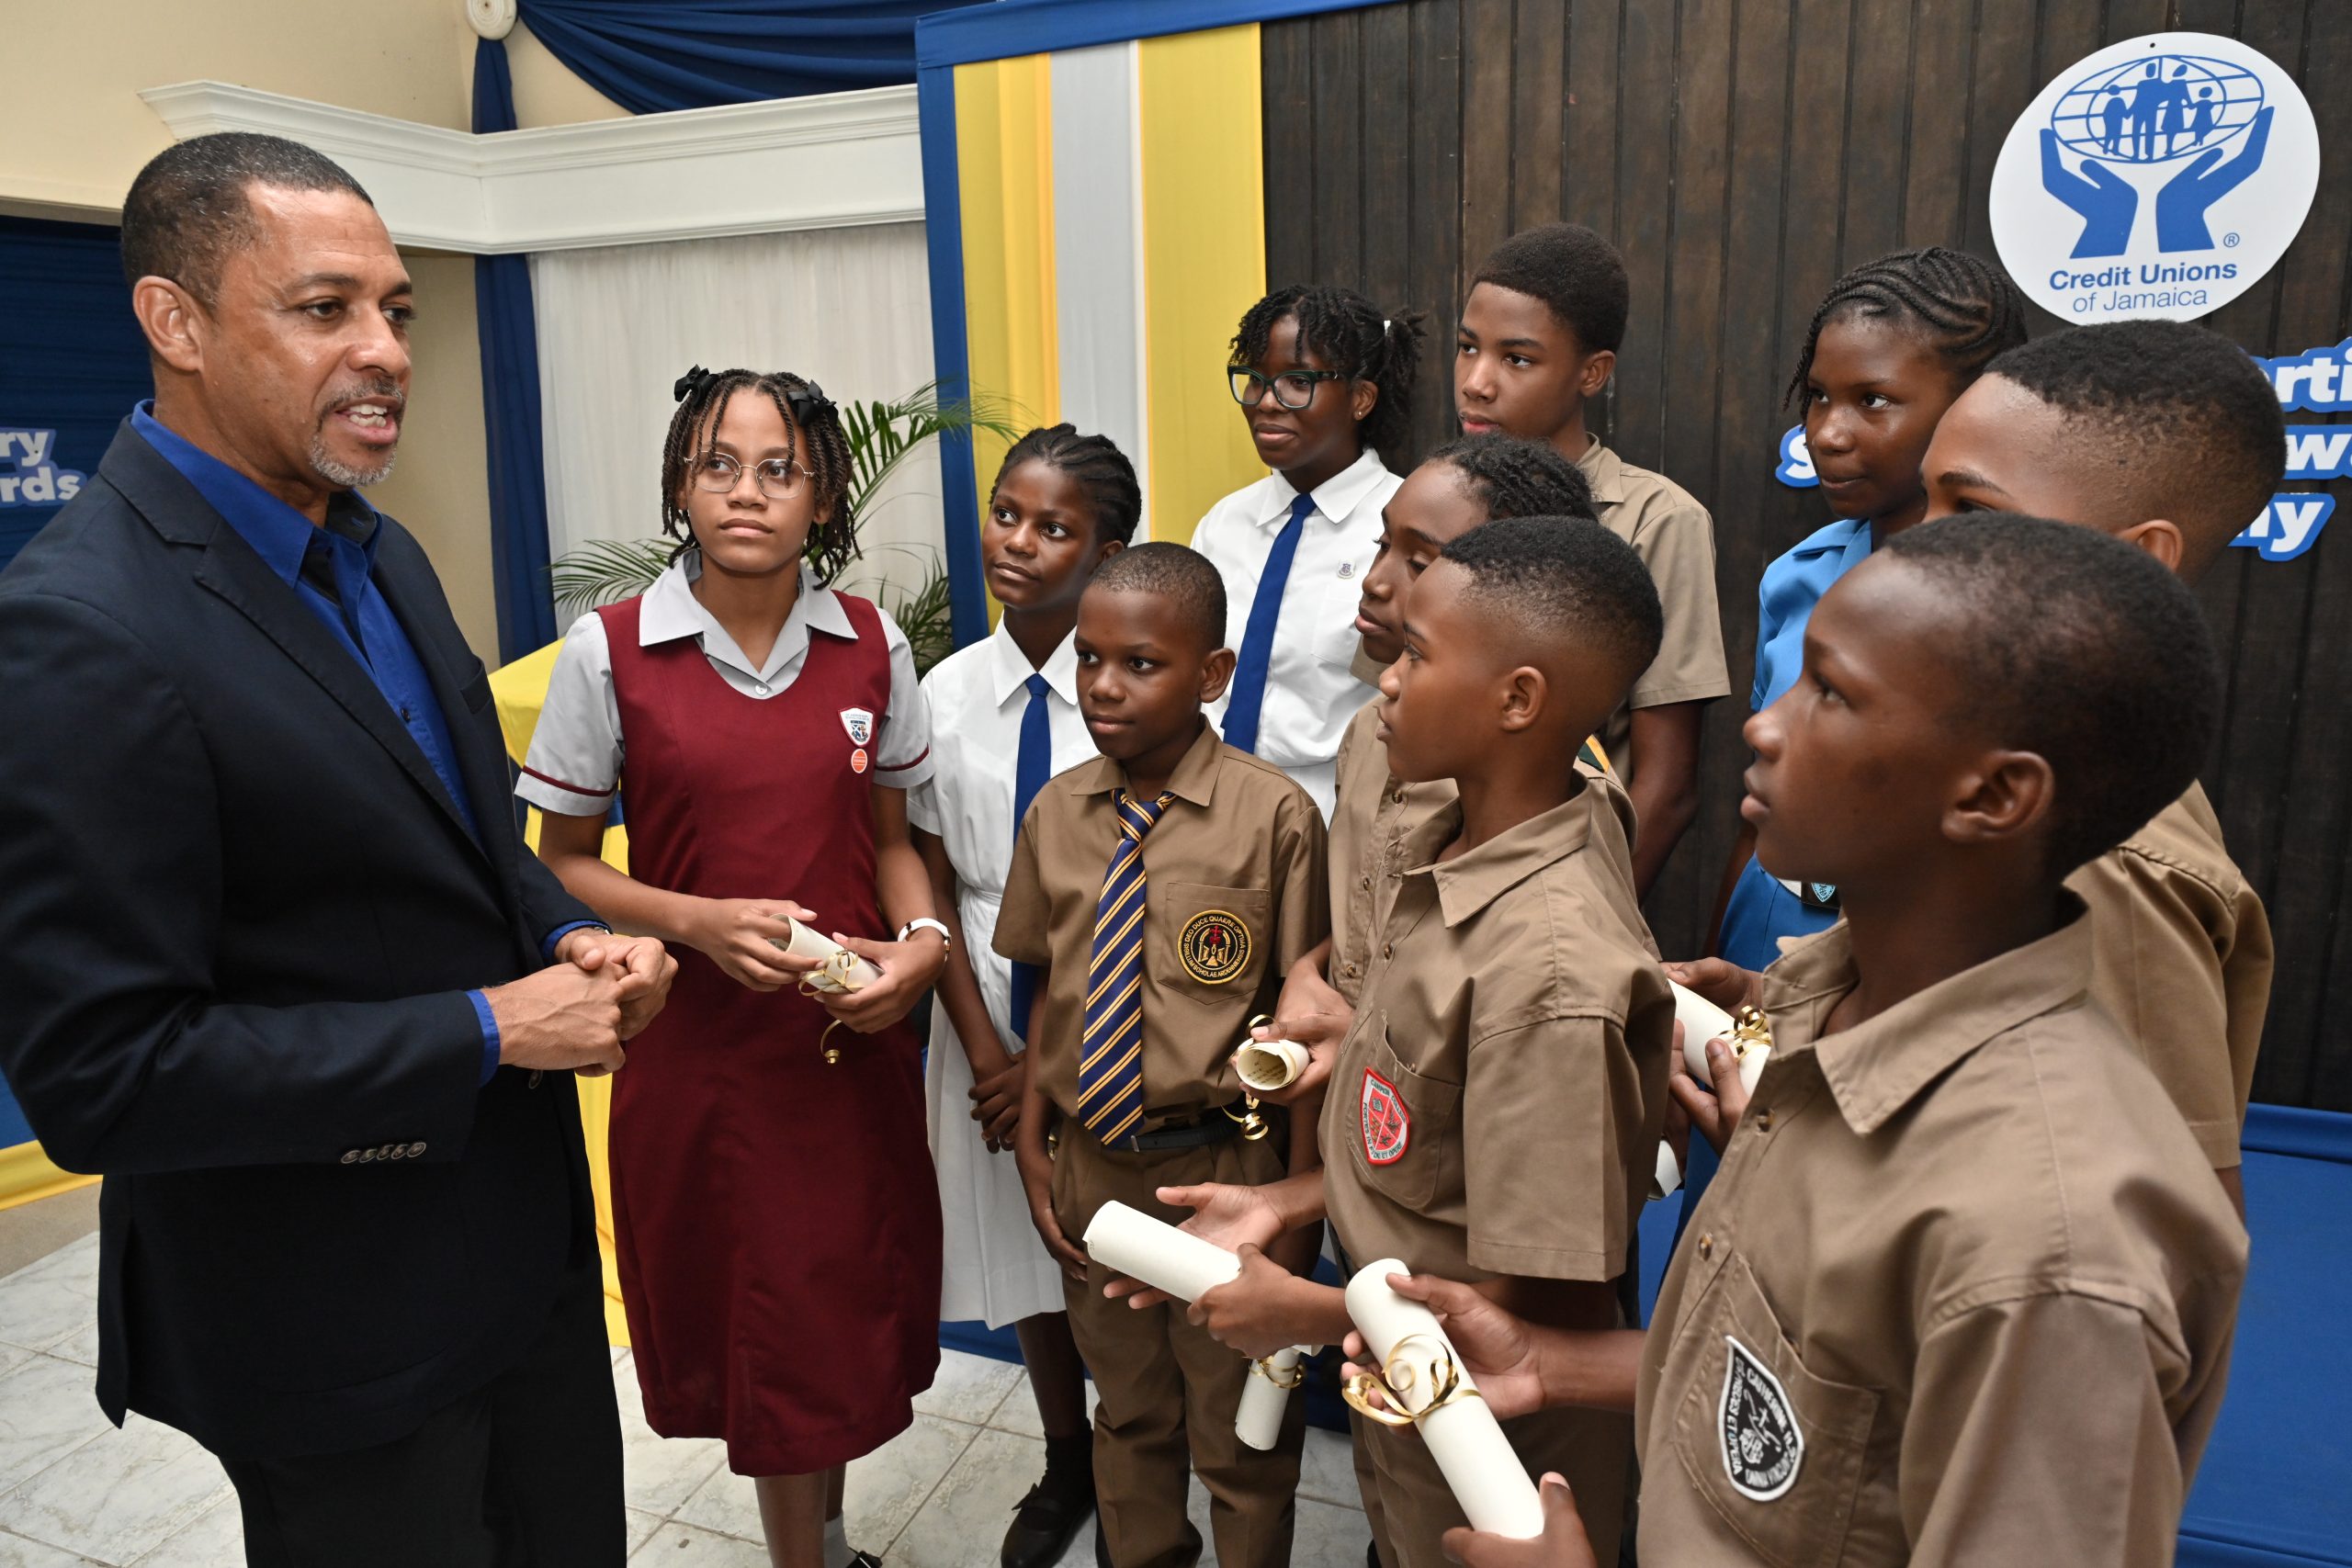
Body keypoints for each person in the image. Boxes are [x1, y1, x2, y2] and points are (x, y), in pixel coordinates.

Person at [0, 132, 676, 1568]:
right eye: (325, 309)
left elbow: (473, 843)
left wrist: (562, 929)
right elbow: (107, 1079)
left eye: (398, 309)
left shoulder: (382, 550)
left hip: (523, 1268)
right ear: (173, 323)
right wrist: (491, 1027)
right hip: (333, 1332)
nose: (385, 350)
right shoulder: (80, 628)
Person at [1389, 517, 2249, 1567]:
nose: (1761, 725)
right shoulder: (1818, 1015)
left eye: (1829, 694)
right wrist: (1556, 1361)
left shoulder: (2045, 1244)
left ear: (1992, 795)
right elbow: (1809, 1396)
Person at [1127, 518, 1675, 1565]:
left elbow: (1533, 1297)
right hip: (1401, 1359)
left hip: (1486, 1430)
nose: (1386, 679)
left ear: (1518, 700)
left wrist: (1303, 1310)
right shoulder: (1453, 845)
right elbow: (1425, 1146)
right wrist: (1287, 1202)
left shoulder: (1545, 977)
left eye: (1418, 657)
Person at [520, 367, 947, 1568]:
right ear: (679, 485)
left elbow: (896, 842)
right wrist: (700, 923)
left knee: (842, 1319)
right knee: (768, 1332)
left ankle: (831, 1532)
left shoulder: (869, 646)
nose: (746, 492)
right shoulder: (609, 651)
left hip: (845, 1057)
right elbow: (559, 861)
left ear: (822, 495)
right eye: (719, 464)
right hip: (705, 1067)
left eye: (779, 468)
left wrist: (920, 953)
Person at [995, 543, 1329, 1568]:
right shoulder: (1057, 813)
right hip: (1095, 1166)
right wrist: (1037, 1144)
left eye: (1140, 663)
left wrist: (1302, 1196)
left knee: (1238, 1438)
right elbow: (1051, 986)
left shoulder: (1273, 817)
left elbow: (1308, 1022)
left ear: (1211, 675)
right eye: (1089, 658)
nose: (1103, 684)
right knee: (1128, 1417)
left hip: (1222, 1170)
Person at [1915, 318, 2283, 1211]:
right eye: (1923, 502)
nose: (1915, 544)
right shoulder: (2003, 768)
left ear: (2133, 560)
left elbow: (2171, 1206)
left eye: (1971, 512)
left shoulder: (2108, 855)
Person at [908, 424, 1138, 1568]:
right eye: (1007, 513)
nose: (1019, 542)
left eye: (1055, 528)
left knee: (1120, 1240)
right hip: (982, 1000)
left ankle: (1147, 1449)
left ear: (1107, 551)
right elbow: (935, 879)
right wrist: (988, 1053)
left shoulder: (1131, 689)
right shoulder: (944, 694)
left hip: (1115, 1003)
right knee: (1023, 1249)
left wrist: (1048, 1062)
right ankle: (1068, 1454)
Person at [1709, 249, 2027, 974]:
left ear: (1972, 405)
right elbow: (1755, 800)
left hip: (1901, 966)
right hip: (1761, 936)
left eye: (1872, 400)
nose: (1828, 431)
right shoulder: (1797, 576)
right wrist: (1720, 948)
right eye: (1818, 395)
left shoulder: (2019, 597)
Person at [1454, 224, 1731, 892]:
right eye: (1467, 348)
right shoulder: (1440, 501)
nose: (1477, 382)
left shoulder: (1657, 520)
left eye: (1516, 358)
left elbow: (1665, 786)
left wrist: (1587, 925)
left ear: (1592, 371)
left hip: (1563, 893)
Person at [1193, 284, 1425, 818]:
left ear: (1362, 399)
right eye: (1254, 381)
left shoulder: (1408, 525)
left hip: (1340, 811)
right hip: (1213, 803)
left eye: (1298, 382)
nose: (1267, 402)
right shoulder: (1222, 524)